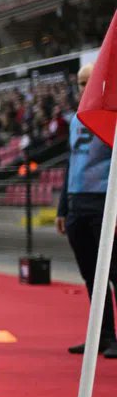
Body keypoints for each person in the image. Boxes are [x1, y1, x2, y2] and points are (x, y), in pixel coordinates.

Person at [57, 62, 117, 358]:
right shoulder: (75, 119)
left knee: (114, 272)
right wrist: (63, 207)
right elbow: (73, 163)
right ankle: (102, 336)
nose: (84, 88)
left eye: (89, 82)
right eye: (81, 83)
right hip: (77, 203)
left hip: (104, 202)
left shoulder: (112, 117)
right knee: (92, 275)